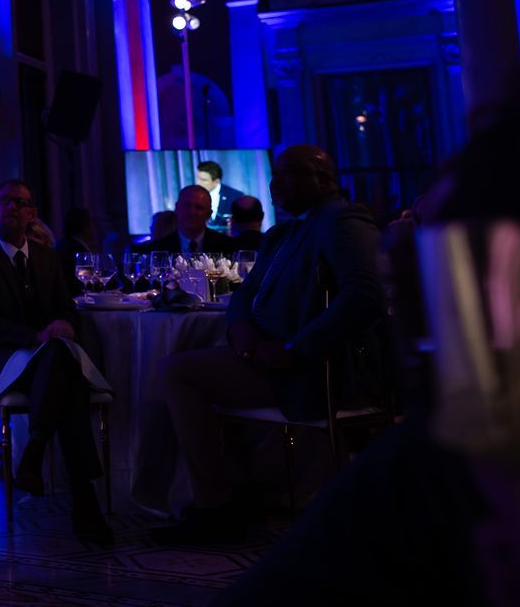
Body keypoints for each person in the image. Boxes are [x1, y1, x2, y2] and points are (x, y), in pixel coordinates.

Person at [154, 145, 386, 543]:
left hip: (313, 367)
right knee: (179, 368)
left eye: (290, 173)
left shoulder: (342, 220)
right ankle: (236, 493)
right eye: (276, 173)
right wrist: (242, 333)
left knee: (179, 372)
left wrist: (294, 349)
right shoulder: (284, 232)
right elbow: (246, 294)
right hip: (267, 357)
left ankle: (215, 505)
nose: (277, 182)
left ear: (325, 181)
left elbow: (365, 296)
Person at [0, 179, 113, 544]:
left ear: (32, 214)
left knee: (61, 362)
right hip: (1, 361)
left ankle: (35, 452)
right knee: (66, 374)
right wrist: (35, 337)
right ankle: (84, 501)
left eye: (20, 202)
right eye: (5, 202)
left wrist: (65, 325)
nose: (11, 207)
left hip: (46, 362)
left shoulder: (46, 258)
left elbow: (68, 308)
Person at [148, 185, 235, 264]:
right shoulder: (156, 249)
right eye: (187, 206)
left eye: (199, 207)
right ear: (177, 208)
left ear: (209, 213)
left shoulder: (228, 247)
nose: (192, 212)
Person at [196, 160, 246, 230]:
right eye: (198, 178)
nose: (198, 183)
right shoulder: (191, 196)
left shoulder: (235, 197)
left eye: (203, 180)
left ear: (217, 181)